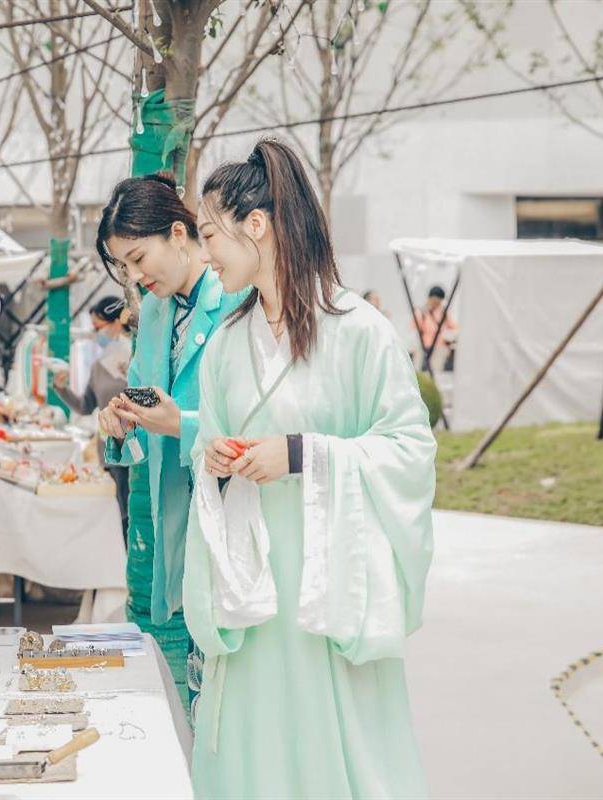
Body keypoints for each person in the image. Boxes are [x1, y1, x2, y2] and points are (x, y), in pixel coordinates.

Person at [186, 139, 435, 798]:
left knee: (337, 749)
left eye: (209, 235)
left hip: (330, 590)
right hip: (256, 590)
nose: (206, 255)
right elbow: (208, 440)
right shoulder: (226, 344)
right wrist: (215, 460)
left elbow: (409, 447)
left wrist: (300, 454)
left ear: (256, 226)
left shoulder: (359, 331)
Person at [93, 172, 247, 705]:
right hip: (171, 527)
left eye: (139, 258)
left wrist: (180, 423)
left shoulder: (237, 300)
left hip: (230, 522)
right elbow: (145, 403)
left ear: (179, 234)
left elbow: (254, 423)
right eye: (124, 267)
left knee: (224, 691)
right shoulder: (155, 312)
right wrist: (123, 423)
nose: (135, 277)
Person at [52, 295, 133, 538]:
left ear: (117, 322)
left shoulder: (136, 358)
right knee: (117, 515)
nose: (97, 335)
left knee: (132, 516)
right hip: (108, 450)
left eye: (99, 327)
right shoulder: (99, 365)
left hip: (134, 448)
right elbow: (86, 406)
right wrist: (61, 388)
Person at [413, 284, 458, 373]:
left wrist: (448, 334)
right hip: (423, 346)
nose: (436, 303)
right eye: (434, 300)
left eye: (438, 301)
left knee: (436, 371)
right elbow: (414, 328)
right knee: (417, 369)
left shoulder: (444, 313)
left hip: (439, 347)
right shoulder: (421, 312)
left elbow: (455, 327)